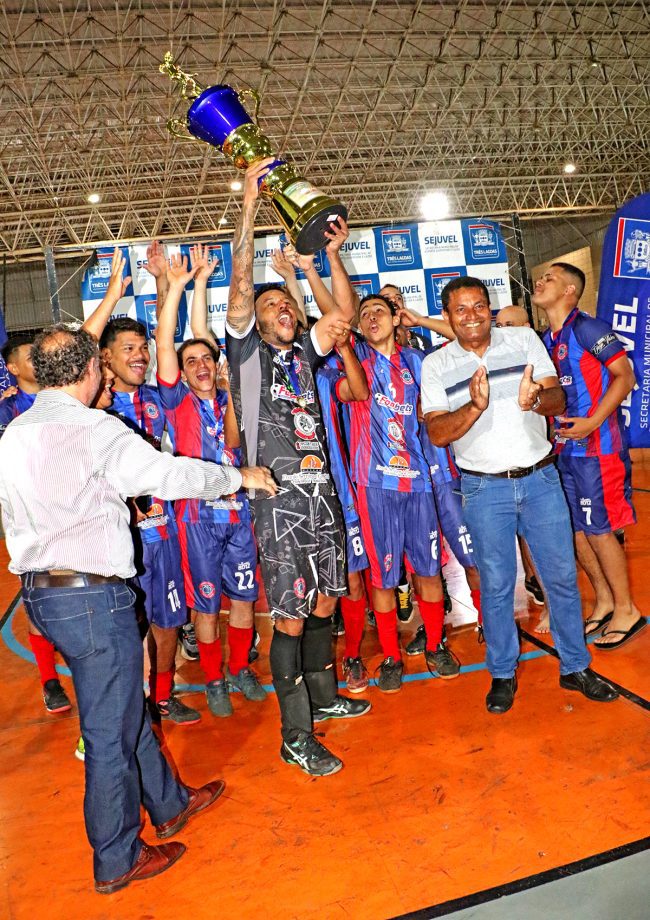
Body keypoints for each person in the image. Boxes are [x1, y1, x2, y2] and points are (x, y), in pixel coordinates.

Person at [0, 323, 275, 892]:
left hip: (43, 594)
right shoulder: (95, 430)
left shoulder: (15, 433)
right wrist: (237, 477)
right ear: (91, 370)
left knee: (123, 706)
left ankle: (170, 802)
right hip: (90, 597)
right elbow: (168, 475)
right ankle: (116, 856)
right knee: (108, 734)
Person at [226, 158, 371, 777]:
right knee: (288, 611)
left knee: (325, 603)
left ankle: (322, 695)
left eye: (288, 303)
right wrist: (251, 207)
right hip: (279, 501)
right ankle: (293, 734)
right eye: (273, 303)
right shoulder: (246, 354)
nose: (283, 307)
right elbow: (239, 286)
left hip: (322, 496)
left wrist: (316, 263)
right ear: (256, 320)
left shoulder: (304, 355)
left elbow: (342, 315)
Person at [421, 276, 619, 713]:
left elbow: (559, 397)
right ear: (448, 316)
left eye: (478, 306)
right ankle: (502, 674)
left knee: (562, 579)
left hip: (540, 480)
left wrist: (537, 400)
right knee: (495, 587)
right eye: (461, 309)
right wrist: (473, 407)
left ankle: (574, 667)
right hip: (482, 487)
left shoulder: (523, 338)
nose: (471, 315)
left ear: (489, 308)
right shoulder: (435, 364)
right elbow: (436, 432)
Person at [155, 245, 267, 717]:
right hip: (196, 519)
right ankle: (215, 679)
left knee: (243, 597)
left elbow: (238, 445)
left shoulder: (230, 397)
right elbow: (167, 343)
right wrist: (180, 286)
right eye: (192, 360)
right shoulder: (176, 399)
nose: (201, 364)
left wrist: (228, 396)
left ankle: (240, 668)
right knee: (206, 608)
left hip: (238, 511)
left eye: (208, 358)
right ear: (181, 371)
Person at [337, 293, 457, 692]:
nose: (372, 317)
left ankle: (436, 644)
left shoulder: (417, 362)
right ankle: (391, 655)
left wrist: (420, 321)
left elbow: (461, 340)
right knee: (384, 579)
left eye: (380, 311)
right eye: (365, 313)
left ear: (395, 318)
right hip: (375, 486)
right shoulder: (354, 362)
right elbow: (337, 302)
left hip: (419, 482)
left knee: (428, 571)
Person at [534, 262, 644, 649]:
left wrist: (593, 421)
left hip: (599, 450)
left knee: (599, 529)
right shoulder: (547, 338)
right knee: (577, 532)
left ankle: (627, 610)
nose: (540, 281)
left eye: (550, 278)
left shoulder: (588, 328)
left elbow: (625, 376)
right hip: (566, 452)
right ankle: (605, 602)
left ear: (570, 291)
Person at [494, 304, 549, 629]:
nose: (504, 331)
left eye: (511, 324)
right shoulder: (493, 357)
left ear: (526, 326)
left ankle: (552, 604)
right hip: (500, 468)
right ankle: (531, 580)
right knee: (518, 541)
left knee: (540, 539)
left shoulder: (534, 354)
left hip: (535, 465)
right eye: (499, 325)